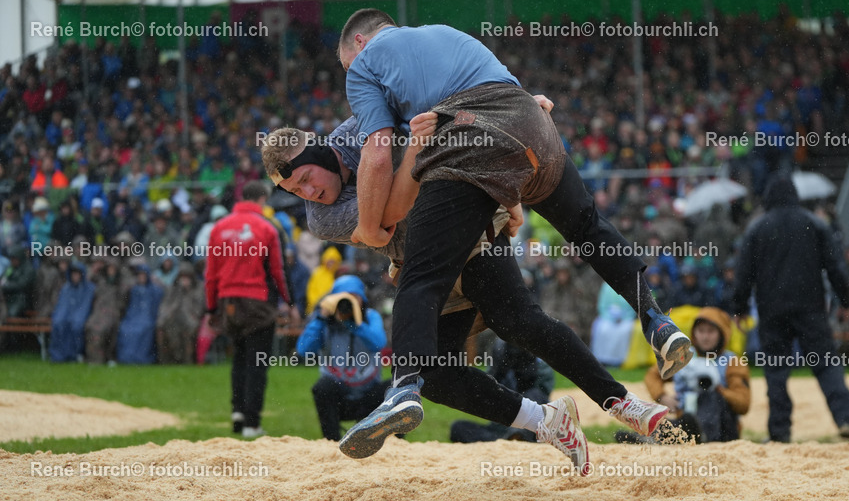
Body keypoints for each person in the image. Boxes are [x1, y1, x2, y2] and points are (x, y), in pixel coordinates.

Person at [333, 9, 692, 447]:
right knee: (586, 227)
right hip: (531, 122)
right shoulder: (447, 33)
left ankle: (403, 388)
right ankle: (655, 318)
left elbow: (377, 149)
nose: (351, 77)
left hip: (470, 144)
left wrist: (370, 227)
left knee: (421, 278)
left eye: (347, 67)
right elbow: (508, 98)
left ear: (359, 43)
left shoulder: (366, 64)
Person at [261, 117, 671, 472]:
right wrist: (416, 149)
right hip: (424, 268)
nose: (307, 193)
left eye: (306, 179)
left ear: (320, 153)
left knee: (519, 322)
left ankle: (621, 402)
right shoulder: (322, 218)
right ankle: (546, 421)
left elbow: (445, 103)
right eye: (295, 191)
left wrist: (517, 110)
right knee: (433, 375)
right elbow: (395, 208)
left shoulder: (366, 125)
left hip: (471, 234)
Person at [733, 173, 849, 443]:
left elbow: (743, 273)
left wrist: (740, 307)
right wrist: (846, 302)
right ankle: (845, 418)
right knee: (826, 364)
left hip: (772, 310)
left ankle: (780, 431)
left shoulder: (757, 228)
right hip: (810, 308)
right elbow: (836, 268)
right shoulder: (815, 224)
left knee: (776, 371)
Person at [205, 180, 295, 438]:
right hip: (257, 303)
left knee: (239, 358)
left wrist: (211, 308)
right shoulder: (267, 227)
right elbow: (278, 271)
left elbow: (211, 274)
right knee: (257, 363)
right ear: (263, 199)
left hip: (229, 304)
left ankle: (238, 411)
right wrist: (289, 302)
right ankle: (252, 424)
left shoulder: (219, 228)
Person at [629, 307, 751, 444]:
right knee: (678, 422)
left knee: (710, 396)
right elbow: (652, 375)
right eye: (701, 331)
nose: (705, 337)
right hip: (687, 420)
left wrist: (718, 389)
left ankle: (691, 435)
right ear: (694, 333)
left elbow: (743, 404)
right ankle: (655, 435)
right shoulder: (684, 356)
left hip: (723, 428)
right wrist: (662, 396)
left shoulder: (732, 362)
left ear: (722, 334)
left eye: (711, 331)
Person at [295, 274, 388, 441]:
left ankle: (393, 443)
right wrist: (321, 318)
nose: (348, 304)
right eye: (343, 299)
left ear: (362, 300)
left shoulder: (371, 317)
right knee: (323, 387)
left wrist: (355, 324)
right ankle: (332, 442)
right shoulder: (323, 322)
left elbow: (378, 343)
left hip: (370, 397)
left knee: (396, 389)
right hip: (338, 397)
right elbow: (304, 350)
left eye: (353, 298)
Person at [156, 262, 204, 364]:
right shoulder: (173, 289)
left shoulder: (199, 289)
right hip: (174, 318)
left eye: (187, 277)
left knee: (185, 330)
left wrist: (187, 292)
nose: (184, 280)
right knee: (164, 328)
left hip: (191, 319)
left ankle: (186, 360)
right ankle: (168, 361)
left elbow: (198, 310)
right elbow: (165, 307)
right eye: (182, 277)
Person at [116, 264, 164, 364]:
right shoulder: (132, 290)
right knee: (125, 328)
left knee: (145, 329)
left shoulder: (155, 290)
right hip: (132, 317)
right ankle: (126, 357)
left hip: (148, 318)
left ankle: (142, 358)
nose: (141, 277)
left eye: (143, 275)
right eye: (139, 275)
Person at [49, 262, 95, 362]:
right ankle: (58, 355)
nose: (75, 276)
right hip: (67, 315)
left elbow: (85, 307)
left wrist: (76, 318)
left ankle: (75, 354)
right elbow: (62, 306)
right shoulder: (66, 288)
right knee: (58, 324)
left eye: (77, 274)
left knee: (76, 325)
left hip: (80, 317)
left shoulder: (89, 288)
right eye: (73, 274)